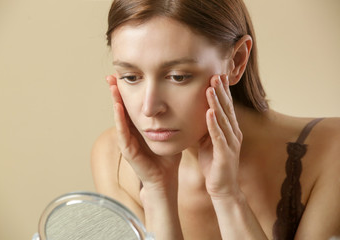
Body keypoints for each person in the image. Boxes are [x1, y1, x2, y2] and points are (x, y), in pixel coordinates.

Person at [91, 0, 340, 239]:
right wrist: (157, 191)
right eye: (131, 77)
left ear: (237, 61)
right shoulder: (115, 158)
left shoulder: (331, 152)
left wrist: (228, 196)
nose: (149, 108)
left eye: (178, 76)